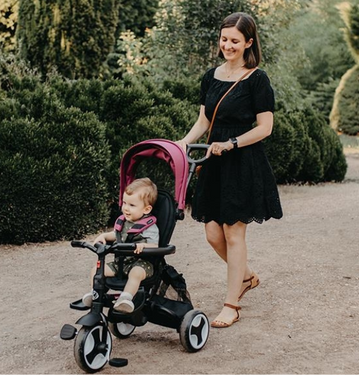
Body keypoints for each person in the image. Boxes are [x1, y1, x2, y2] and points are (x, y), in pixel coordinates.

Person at [176, 12, 283, 328]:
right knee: (212, 234)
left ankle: (231, 304)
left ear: (249, 42)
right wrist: (184, 141)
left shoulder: (257, 79)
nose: (228, 45)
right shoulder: (211, 76)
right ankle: (247, 277)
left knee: (234, 233)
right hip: (213, 162)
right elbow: (205, 119)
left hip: (241, 162)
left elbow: (265, 127)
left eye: (235, 40)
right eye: (224, 39)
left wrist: (233, 143)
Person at [82, 177, 159, 313]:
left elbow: (155, 246)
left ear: (146, 209)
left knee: (135, 273)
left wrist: (143, 246)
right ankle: (94, 293)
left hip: (141, 264)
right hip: (121, 264)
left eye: (132, 205)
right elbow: (116, 235)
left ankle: (125, 299)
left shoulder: (149, 227)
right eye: (124, 203)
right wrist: (104, 236)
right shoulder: (123, 222)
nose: (126, 208)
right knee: (97, 269)